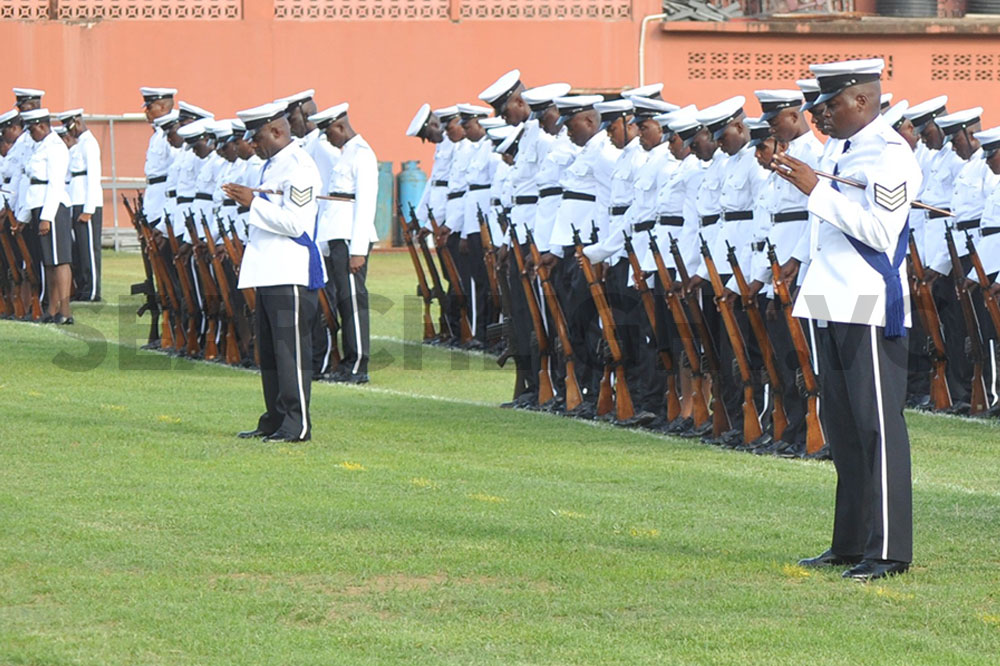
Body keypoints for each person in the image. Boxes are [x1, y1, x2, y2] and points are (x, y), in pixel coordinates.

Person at [774, 58, 920, 581]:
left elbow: (880, 234)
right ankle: (850, 542)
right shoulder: (843, 149)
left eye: (831, 104)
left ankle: (888, 551)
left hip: (866, 298)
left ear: (862, 101)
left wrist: (817, 190)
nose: (821, 115)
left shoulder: (889, 155)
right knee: (843, 429)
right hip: (829, 298)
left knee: (877, 426)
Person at [222, 102, 324, 442]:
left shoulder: (299, 166)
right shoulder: (272, 166)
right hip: (268, 269)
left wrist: (254, 203)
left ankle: (297, 424)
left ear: (278, 131)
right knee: (268, 353)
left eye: (257, 136)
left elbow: (296, 223)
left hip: (290, 268)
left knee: (290, 351)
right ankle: (276, 418)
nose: (253, 144)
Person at [310, 103, 378, 384]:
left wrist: (358, 250)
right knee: (340, 300)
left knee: (352, 301)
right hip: (337, 234)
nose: (327, 139)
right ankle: (346, 362)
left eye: (328, 133)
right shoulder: (345, 153)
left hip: (351, 238)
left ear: (340, 127)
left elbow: (365, 204)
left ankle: (358, 364)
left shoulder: (362, 154)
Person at [21, 108, 73, 324]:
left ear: (42, 126)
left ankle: (66, 311)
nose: (31, 134)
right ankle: (52, 309)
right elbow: (32, 184)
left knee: (60, 260)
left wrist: (47, 216)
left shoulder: (55, 147)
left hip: (52, 206)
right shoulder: (40, 145)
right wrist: (25, 216)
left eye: (32, 129)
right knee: (49, 262)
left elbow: (55, 184)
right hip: (38, 204)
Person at [56, 109, 103, 302]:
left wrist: (89, 209)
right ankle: (83, 287)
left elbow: (93, 177)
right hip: (75, 198)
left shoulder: (89, 144)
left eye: (69, 126)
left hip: (86, 201)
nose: (69, 132)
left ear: (77, 122)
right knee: (79, 249)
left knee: (89, 249)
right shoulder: (78, 145)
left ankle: (92, 291)